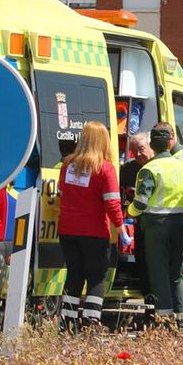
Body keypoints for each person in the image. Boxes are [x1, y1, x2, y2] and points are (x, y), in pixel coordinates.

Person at [56, 122, 130, 331]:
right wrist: (121, 229)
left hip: (68, 231)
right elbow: (112, 203)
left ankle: (67, 322)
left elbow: (63, 194)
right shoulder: (105, 169)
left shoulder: (68, 165)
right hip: (94, 232)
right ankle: (91, 321)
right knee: (96, 276)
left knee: (74, 274)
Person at [130, 124, 183, 330]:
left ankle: (164, 321)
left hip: (156, 228)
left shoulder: (149, 169)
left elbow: (140, 203)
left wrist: (127, 213)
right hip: (180, 226)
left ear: (152, 146)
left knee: (159, 275)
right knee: (176, 275)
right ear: (169, 143)